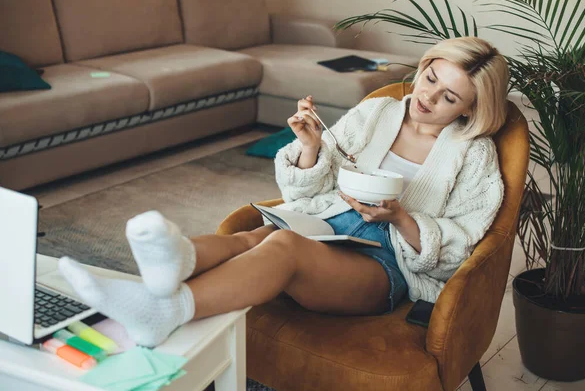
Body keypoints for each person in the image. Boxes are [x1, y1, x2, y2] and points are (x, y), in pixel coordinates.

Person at [59, 36, 510, 347]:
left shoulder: (475, 155)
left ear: (471, 109)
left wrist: (400, 218)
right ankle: (170, 265)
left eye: (450, 97)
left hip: (386, 265)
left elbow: (465, 246)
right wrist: (312, 147)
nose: (429, 97)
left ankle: (165, 312)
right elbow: (310, 184)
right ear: (425, 66)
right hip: (327, 224)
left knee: (284, 247)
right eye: (432, 78)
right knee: (251, 237)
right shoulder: (378, 112)